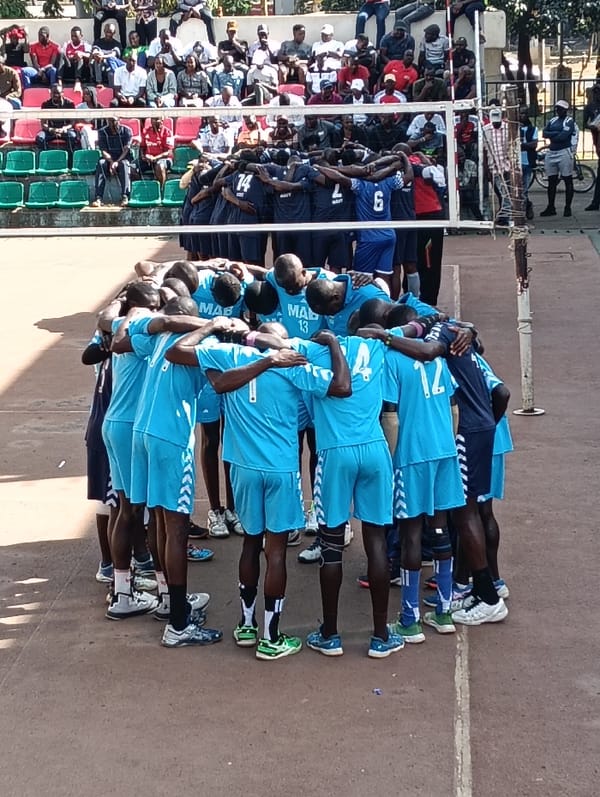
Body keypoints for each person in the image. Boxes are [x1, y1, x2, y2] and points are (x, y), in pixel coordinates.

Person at [169, 323, 350, 660]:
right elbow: (341, 386)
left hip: (241, 467)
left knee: (250, 543)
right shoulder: (292, 364)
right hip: (281, 468)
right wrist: (333, 346)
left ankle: (246, 625)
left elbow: (179, 353)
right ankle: (271, 636)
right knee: (276, 551)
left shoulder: (228, 355)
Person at [378, 322, 509, 627]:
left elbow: (428, 351)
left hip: (467, 432)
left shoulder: (439, 337)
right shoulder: (463, 340)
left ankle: (489, 598)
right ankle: (481, 587)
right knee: (469, 512)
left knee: (466, 514)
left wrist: (385, 337)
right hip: (478, 429)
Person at [299, 328, 404, 658]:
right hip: (375, 450)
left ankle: (329, 634)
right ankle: (380, 635)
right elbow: (419, 324)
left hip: (335, 454)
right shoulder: (376, 346)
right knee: (376, 542)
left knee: (331, 544)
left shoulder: (311, 352)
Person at [123, 300, 222, 647]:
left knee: (160, 521)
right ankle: (179, 625)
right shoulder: (203, 342)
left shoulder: (157, 335)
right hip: (171, 441)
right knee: (177, 530)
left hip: (142, 432)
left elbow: (121, 339)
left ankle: (170, 602)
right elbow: (220, 382)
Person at [99, 283, 161, 620]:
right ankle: (129, 593)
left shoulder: (119, 326)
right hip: (129, 428)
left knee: (124, 508)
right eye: (151, 304)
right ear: (137, 307)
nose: (157, 309)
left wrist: (124, 303)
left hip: (115, 422)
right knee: (137, 510)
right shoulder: (138, 333)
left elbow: (106, 317)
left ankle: (122, 588)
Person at [305, 272, 391, 337]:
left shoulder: (371, 298)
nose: (329, 315)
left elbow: (391, 335)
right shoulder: (325, 298)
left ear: (336, 298)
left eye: (329, 312)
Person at [540, 100, 578, 218]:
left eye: (560, 109)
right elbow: (544, 133)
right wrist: (557, 133)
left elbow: (563, 137)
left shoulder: (569, 121)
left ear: (565, 110)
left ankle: (567, 207)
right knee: (552, 181)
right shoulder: (553, 120)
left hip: (564, 152)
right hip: (552, 152)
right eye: (557, 108)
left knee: (567, 179)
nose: (558, 111)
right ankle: (551, 206)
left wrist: (553, 134)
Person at [93, 116, 133, 207]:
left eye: (114, 121)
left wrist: (117, 162)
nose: (112, 123)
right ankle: (98, 198)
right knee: (101, 163)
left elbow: (126, 150)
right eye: (110, 121)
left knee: (125, 164)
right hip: (109, 158)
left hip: (123, 157)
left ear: (119, 121)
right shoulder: (102, 132)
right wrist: (111, 162)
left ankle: (125, 196)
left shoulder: (127, 131)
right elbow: (103, 151)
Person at [482, 106, 511, 225]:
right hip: (493, 167)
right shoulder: (485, 130)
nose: (496, 124)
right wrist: (486, 168)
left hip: (507, 165)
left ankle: (504, 215)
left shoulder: (508, 129)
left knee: (507, 192)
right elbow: (483, 150)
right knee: (502, 192)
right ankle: (504, 215)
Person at [36, 84, 77, 154]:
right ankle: (48, 157)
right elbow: (43, 124)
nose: (55, 95)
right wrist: (51, 129)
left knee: (72, 136)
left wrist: (65, 128)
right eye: (53, 93)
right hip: (51, 130)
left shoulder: (70, 104)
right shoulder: (45, 104)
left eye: (57, 93)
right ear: (50, 93)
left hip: (65, 130)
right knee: (40, 138)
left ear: (62, 93)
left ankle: (68, 159)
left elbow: (72, 122)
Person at [139, 116, 173, 187]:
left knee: (159, 166)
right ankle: (143, 189)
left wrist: (155, 158)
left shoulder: (168, 132)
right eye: (152, 119)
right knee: (131, 168)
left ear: (162, 121)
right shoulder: (146, 131)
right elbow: (142, 147)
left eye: (156, 119)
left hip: (164, 159)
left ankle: (161, 190)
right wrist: (143, 156)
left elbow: (168, 152)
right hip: (148, 160)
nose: (153, 121)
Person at [58, 26, 91, 91]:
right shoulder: (67, 44)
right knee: (61, 54)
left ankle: (77, 82)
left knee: (79, 56)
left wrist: (81, 54)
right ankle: (59, 81)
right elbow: (62, 57)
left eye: (76, 36)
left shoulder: (85, 44)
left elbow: (90, 55)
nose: (73, 38)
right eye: (72, 36)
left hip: (81, 70)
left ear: (81, 36)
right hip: (69, 68)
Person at [519, 105, 538, 220]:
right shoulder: (514, 128)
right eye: (521, 113)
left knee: (524, 188)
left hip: (527, 162)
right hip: (516, 162)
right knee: (518, 189)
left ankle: (526, 208)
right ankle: (524, 208)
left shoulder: (532, 129)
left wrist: (522, 146)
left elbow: (534, 144)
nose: (522, 115)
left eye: (525, 113)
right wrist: (527, 146)